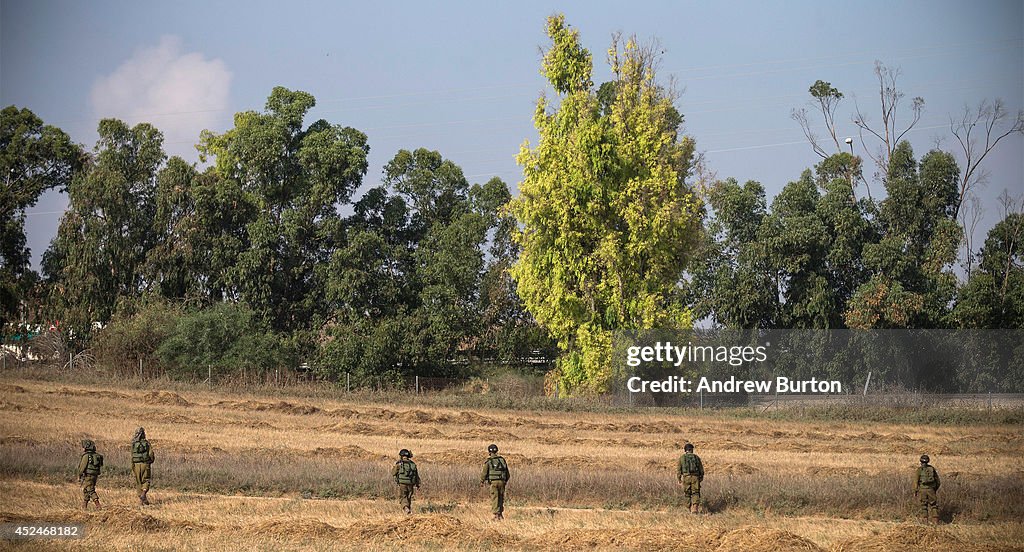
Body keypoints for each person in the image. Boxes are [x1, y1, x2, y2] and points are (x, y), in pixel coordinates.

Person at [479, 443, 510, 520]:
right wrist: (505, 481)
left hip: (494, 482)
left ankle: (496, 515)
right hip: (502, 481)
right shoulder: (502, 460)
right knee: (501, 497)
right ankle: (500, 514)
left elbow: (484, 473)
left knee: (495, 497)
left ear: (489, 452)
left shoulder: (489, 461)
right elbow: (507, 473)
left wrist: (482, 481)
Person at [677, 442, 704, 514]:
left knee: (687, 493)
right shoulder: (696, 457)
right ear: (692, 450)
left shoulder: (682, 458)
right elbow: (701, 469)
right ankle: (695, 509)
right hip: (695, 477)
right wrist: (701, 478)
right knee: (696, 492)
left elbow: (679, 470)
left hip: (686, 477)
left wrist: (679, 479)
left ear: (685, 450)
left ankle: (688, 509)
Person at [131, 427, 155, 505]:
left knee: (138, 482)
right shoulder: (147, 443)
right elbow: (151, 454)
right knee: (146, 480)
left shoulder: (134, 444)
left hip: (136, 465)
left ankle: (141, 501)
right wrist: (150, 461)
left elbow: (132, 456)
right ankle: (144, 493)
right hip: (145, 464)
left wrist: (133, 467)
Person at [391, 448, 420, 514]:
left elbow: (393, 473)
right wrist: (418, 484)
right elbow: (416, 475)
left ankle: (406, 508)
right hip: (411, 483)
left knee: (403, 496)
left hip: (402, 483)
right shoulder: (412, 464)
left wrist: (394, 466)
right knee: (408, 497)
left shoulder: (399, 464)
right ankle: (408, 511)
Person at [77, 439, 103, 510]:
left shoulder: (86, 456)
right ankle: (84, 506)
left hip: (88, 475)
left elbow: (82, 467)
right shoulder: (97, 455)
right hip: (95, 475)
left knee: (90, 490)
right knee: (86, 489)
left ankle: (98, 506)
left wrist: (79, 476)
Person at [914, 454, 941, 524]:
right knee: (934, 505)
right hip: (931, 490)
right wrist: (934, 489)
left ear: (920, 461)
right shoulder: (932, 469)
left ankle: (925, 523)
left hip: (922, 490)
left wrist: (916, 491)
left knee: (924, 506)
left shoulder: (919, 470)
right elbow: (938, 481)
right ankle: (935, 522)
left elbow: (916, 482)